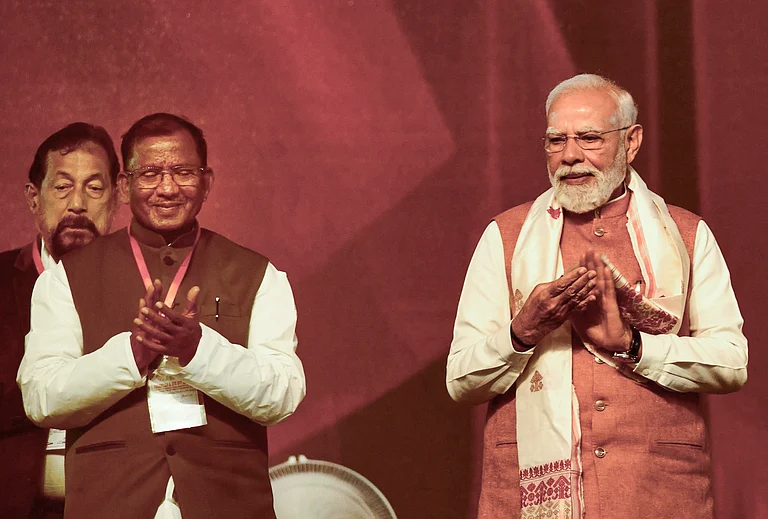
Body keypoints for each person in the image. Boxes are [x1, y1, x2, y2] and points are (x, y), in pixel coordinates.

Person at [446, 74, 747, 519]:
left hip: (656, 490)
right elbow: (461, 380)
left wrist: (631, 345)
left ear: (631, 142)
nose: (570, 156)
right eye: (556, 140)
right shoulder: (505, 237)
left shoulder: (686, 234)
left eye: (589, 138)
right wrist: (523, 331)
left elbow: (731, 362)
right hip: (526, 490)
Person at [18, 113, 306, 519]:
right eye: (150, 173)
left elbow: (284, 393)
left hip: (229, 501)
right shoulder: (66, 278)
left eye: (183, 172)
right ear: (124, 185)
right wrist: (132, 354)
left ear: (207, 182)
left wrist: (197, 350)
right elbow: (42, 397)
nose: (168, 188)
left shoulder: (260, 275)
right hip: (109, 501)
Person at [0, 122, 119, 518]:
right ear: (34, 198)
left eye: (95, 187)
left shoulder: (143, 287)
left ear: (117, 198)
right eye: (62, 186)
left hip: (118, 503)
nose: (78, 204)